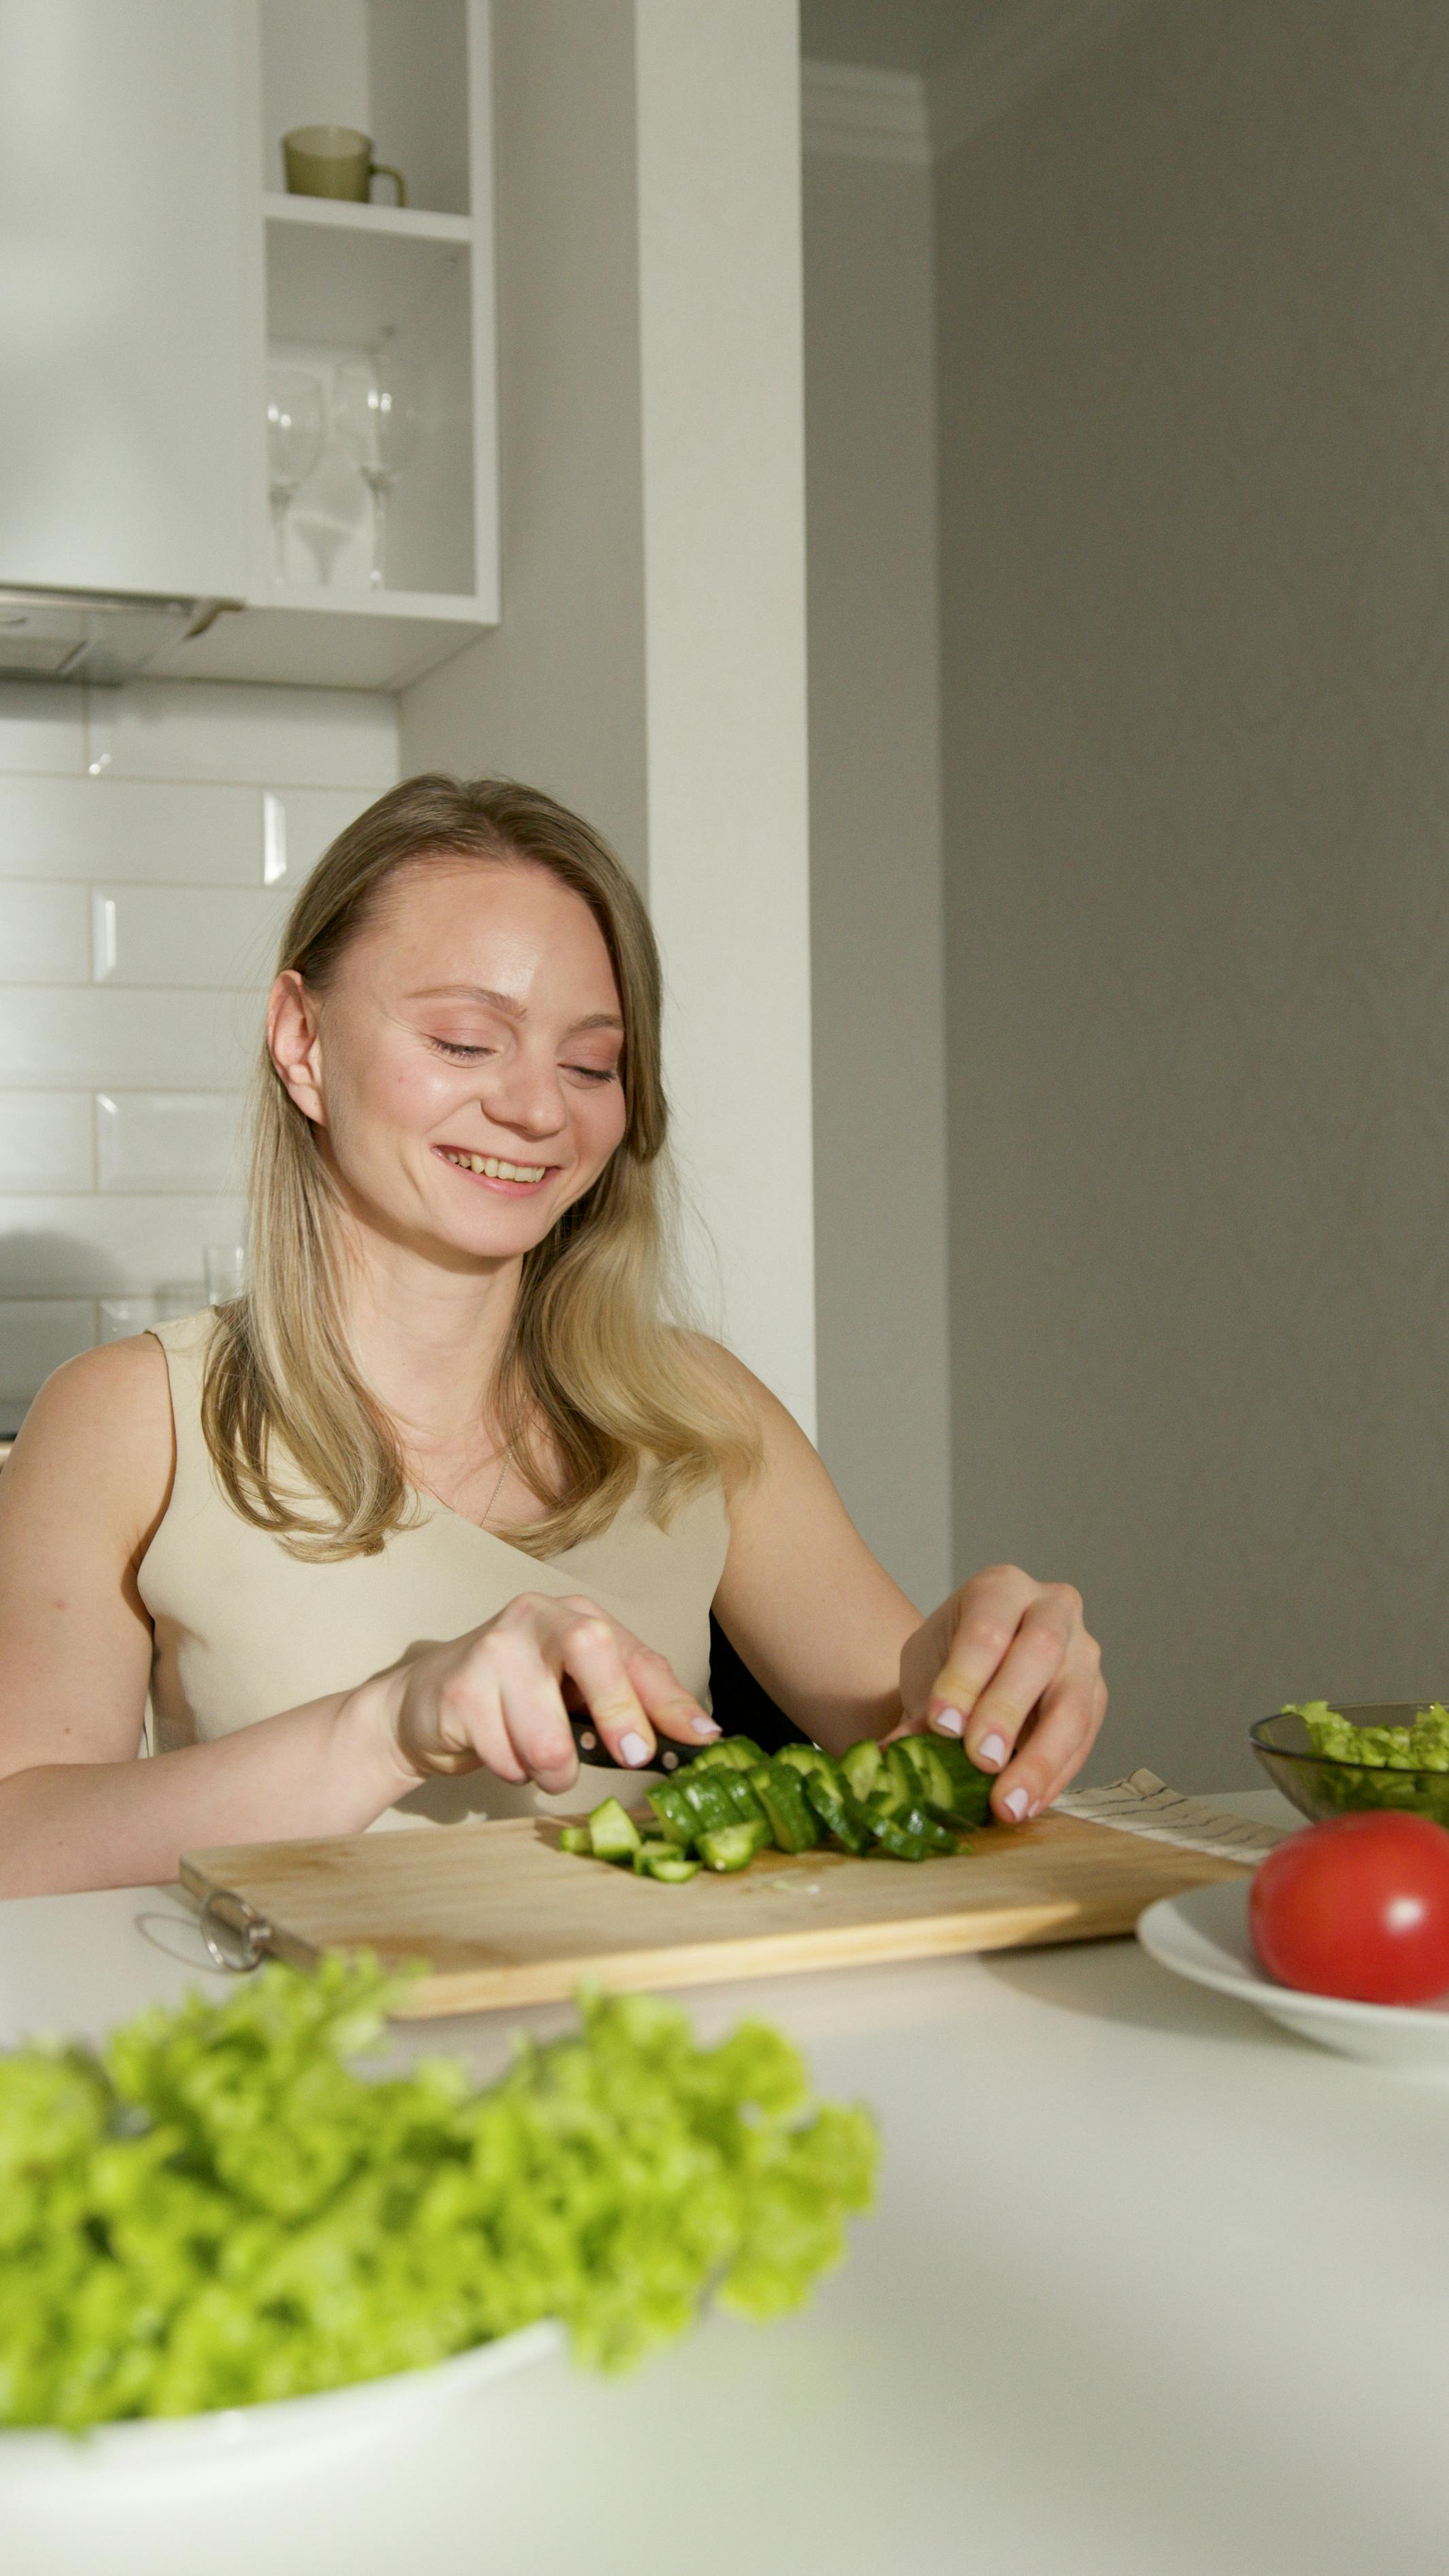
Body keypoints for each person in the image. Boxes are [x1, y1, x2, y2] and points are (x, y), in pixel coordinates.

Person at [0, 777, 1106, 1897]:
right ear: (302, 1039)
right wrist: (386, 1726)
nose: (540, 1111)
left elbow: (919, 1750)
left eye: (590, 1065)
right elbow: (16, 1839)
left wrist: (991, 1676)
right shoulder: (130, 1418)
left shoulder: (697, 1409)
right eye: (468, 1041)